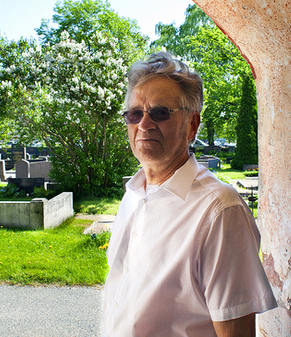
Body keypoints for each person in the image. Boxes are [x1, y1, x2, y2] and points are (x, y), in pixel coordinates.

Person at [102, 52, 277, 337]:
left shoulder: (219, 212)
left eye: (159, 113)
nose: (143, 125)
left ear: (192, 126)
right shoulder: (133, 195)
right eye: (135, 114)